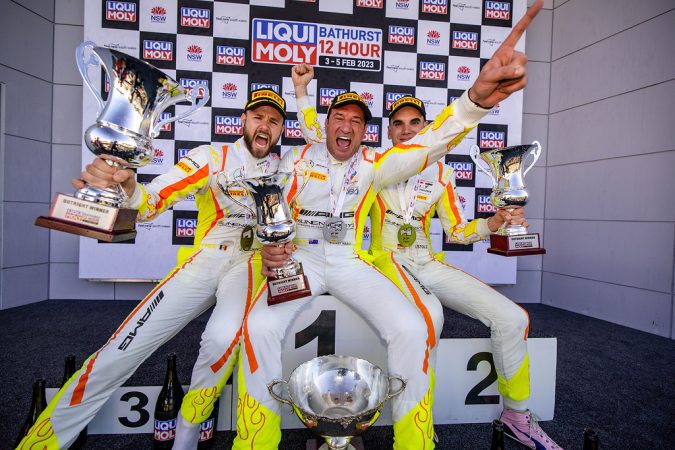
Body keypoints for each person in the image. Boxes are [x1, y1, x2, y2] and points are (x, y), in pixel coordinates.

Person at [237, 4, 541, 448]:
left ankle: (415, 442)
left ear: (365, 133)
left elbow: (430, 144)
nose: (346, 126)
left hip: (351, 261)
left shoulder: (376, 165)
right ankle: (254, 443)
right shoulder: (298, 158)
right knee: (258, 328)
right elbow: (267, 208)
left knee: (414, 328)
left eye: (356, 121)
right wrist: (269, 247)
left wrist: (474, 101)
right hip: (302, 260)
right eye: (339, 118)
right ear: (325, 124)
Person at [292, 67, 561, 448]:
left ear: (426, 127)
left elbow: (458, 231)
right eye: (398, 124)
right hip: (386, 260)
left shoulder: (442, 175)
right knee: (430, 318)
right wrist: (302, 92)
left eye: (415, 123)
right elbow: (320, 137)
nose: (407, 130)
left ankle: (516, 414)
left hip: (426, 262)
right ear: (389, 132)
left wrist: (496, 221)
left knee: (513, 318)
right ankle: (419, 421)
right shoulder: (371, 163)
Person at [17, 89, 287, 450]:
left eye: (274, 121)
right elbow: (154, 199)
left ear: (281, 129)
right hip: (206, 260)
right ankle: (40, 444)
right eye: (258, 117)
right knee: (122, 347)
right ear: (243, 121)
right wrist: (128, 187)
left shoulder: (287, 169)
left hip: (249, 264)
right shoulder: (211, 157)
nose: (264, 125)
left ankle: (187, 433)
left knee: (222, 339)